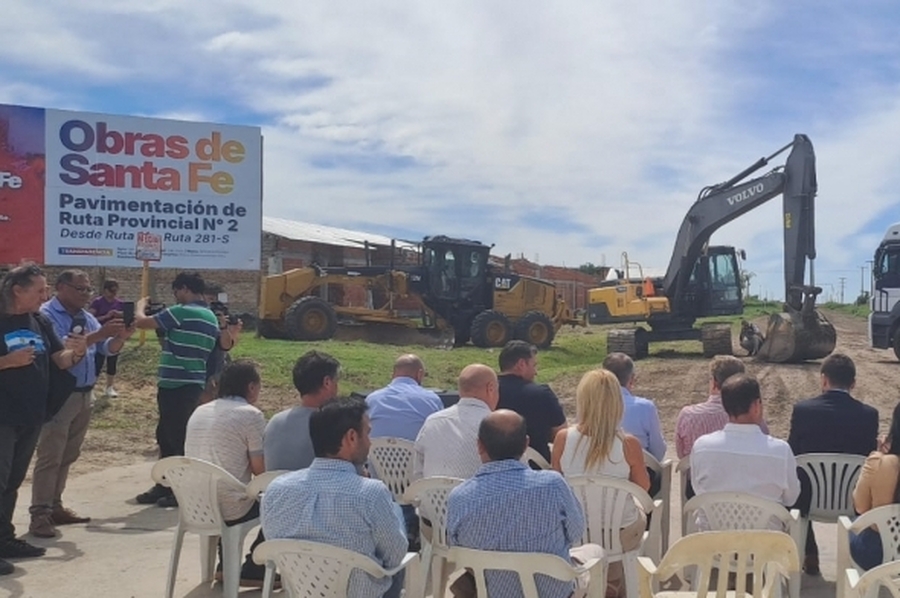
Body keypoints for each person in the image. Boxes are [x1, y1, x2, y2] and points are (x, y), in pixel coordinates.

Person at [261, 396, 407, 598]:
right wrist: (394, 509)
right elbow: (395, 555)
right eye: (368, 433)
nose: (370, 441)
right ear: (352, 437)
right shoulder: (371, 493)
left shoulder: (276, 490)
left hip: (304, 590)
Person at [447, 410, 602, 598]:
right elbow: (575, 532)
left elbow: (457, 547)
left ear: (480, 446)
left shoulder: (459, 496)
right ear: (526, 444)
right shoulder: (552, 484)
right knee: (595, 552)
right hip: (554, 592)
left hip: (492, 592)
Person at [29, 270, 133, 539]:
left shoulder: (86, 317)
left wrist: (120, 337)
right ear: (61, 288)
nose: (86, 295)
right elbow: (62, 350)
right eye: (80, 289)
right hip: (60, 394)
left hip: (85, 393)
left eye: (88, 290)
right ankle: (39, 514)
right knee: (50, 455)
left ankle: (55, 505)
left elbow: (106, 349)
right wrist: (100, 336)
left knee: (68, 454)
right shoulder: (46, 315)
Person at [0, 265, 87, 576]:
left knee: (11, 482)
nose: (45, 296)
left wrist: (76, 353)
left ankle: (5, 539)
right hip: (3, 416)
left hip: (31, 414)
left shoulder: (39, 321)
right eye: (38, 290)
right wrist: (6, 362)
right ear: (17, 290)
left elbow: (58, 359)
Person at [551, 368, 650, 598]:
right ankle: (614, 581)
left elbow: (557, 483)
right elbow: (643, 488)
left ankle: (603, 581)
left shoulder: (563, 438)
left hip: (576, 529)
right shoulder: (628, 444)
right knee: (634, 513)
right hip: (619, 531)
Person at [133, 271, 220, 508]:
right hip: (192, 381)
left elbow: (141, 322)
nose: (176, 297)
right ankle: (166, 484)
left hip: (175, 382)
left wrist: (140, 306)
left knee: (175, 438)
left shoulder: (182, 312)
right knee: (169, 434)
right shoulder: (210, 316)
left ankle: (180, 489)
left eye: (176, 292)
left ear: (184, 289)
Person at [788, 353, 879, 575]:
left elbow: (792, 453)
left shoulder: (803, 410)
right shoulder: (869, 415)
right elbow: (868, 456)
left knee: (799, 478)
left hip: (811, 502)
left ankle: (809, 552)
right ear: (854, 383)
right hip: (852, 500)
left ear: (824, 380)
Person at [185, 360, 268, 586]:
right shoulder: (251, 415)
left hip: (194, 504)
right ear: (251, 387)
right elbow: (260, 470)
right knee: (282, 502)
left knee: (227, 487)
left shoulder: (199, 411)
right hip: (229, 508)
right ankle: (255, 568)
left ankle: (225, 565)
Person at [691, 374, 801, 526]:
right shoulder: (780, 451)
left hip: (713, 541)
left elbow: (698, 490)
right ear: (756, 406)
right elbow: (791, 498)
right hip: (766, 544)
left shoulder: (701, 447)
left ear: (725, 405)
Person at [414, 363, 499, 479]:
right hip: (480, 496)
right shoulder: (498, 426)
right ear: (491, 388)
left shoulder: (432, 421)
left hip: (432, 496)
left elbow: (417, 472)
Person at [264, 350, 340, 471]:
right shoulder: (333, 425)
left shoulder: (275, 421)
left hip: (273, 488)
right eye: (336, 381)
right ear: (327, 382)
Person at [848, 401, 900, 571]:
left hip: (880, 551)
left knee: (852, 524)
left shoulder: (880, 462)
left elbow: (860, 506)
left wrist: (880, 453)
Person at [496, 340, 567, 463]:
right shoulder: (542, 394)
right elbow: (561, 436)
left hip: (495, 468)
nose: (536, 372)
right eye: (534, 365)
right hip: (536, 468)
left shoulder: (488, 392)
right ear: (521, 364)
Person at [601, 352, 666, 461]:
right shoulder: (645, 407)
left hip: (596, 472)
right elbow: (658, 451)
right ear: (632, 379)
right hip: (637, 471)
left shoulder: (588, 405)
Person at [365, 354, 444, 441]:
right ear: (420, 374)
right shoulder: (432, 400)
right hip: (416, 453)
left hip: (376, 453)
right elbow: (440, 433)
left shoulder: (371, 399)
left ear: (393, 374)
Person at [198, 283, 242, 405]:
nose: (213, 304)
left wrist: (231, 331)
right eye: (210, 300)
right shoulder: (198, 315)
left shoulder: (223, 316)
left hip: (218, 364)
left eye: (216, 300)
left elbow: (228, 347)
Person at [89, 279, 124, 398]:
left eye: (115, 291)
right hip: (100, 335)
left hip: (114, 336)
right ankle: (91, 388)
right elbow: (91, 319)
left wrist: (120, 315)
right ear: (105, 290)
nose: (113, 293)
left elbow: (126, 318)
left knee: (112, 362)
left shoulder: (119, 303)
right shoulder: (97, 302)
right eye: (111, 291)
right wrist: (106, 316)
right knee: (97, 362)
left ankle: (109, 387)